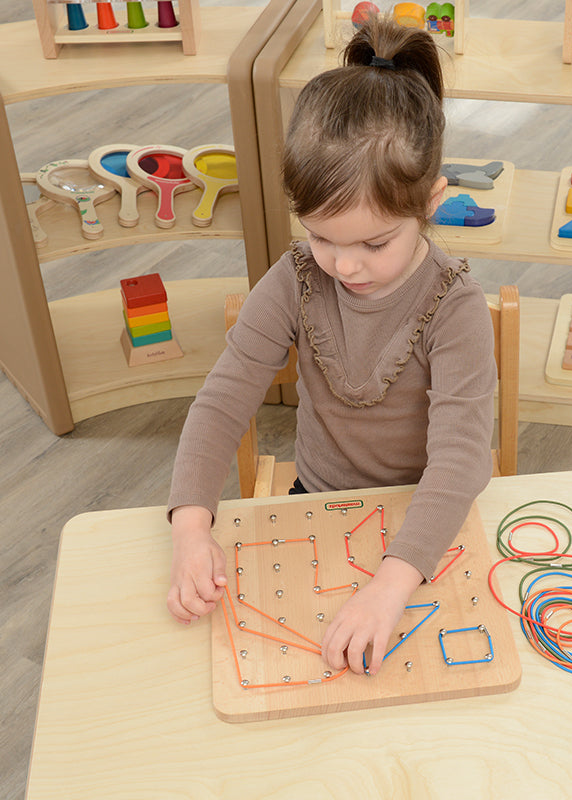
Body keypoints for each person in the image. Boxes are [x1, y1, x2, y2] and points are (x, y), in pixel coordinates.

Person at [166, 15, 497, 676]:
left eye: (373, 243)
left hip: (423, 521)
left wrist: (392, 583)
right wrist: (190, 531)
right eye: (322, 237)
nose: (343, 266)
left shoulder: (454, 309)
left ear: (432, 201)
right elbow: (221, 403)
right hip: (314, 502)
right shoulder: (294, 279)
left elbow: (460, 461)